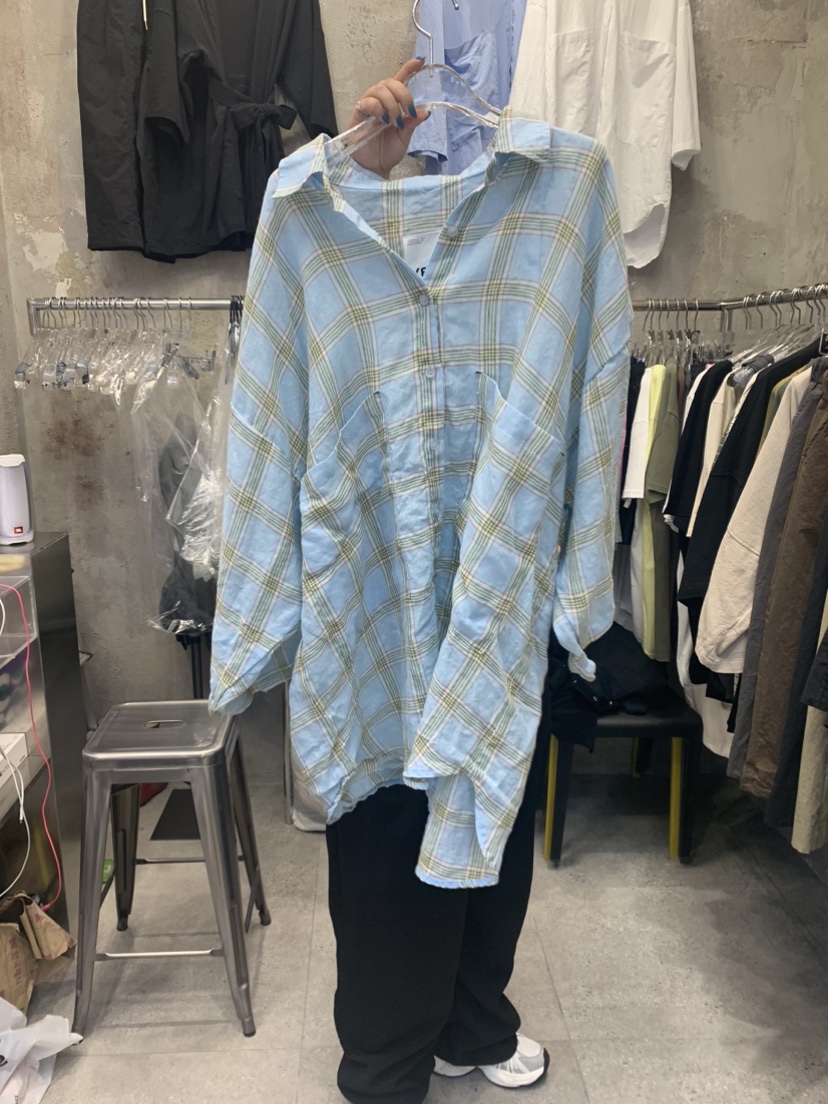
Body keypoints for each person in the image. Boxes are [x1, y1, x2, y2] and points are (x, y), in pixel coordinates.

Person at [323, 61, 551, 1104]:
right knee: (386, 801)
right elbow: (287, 371)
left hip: (499, 571)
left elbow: (588, 386)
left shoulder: (557, 210)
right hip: (373, 574)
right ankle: (387, 1056)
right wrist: (357, 168)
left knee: (494, 784)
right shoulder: (318, 215)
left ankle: (470, 1018)